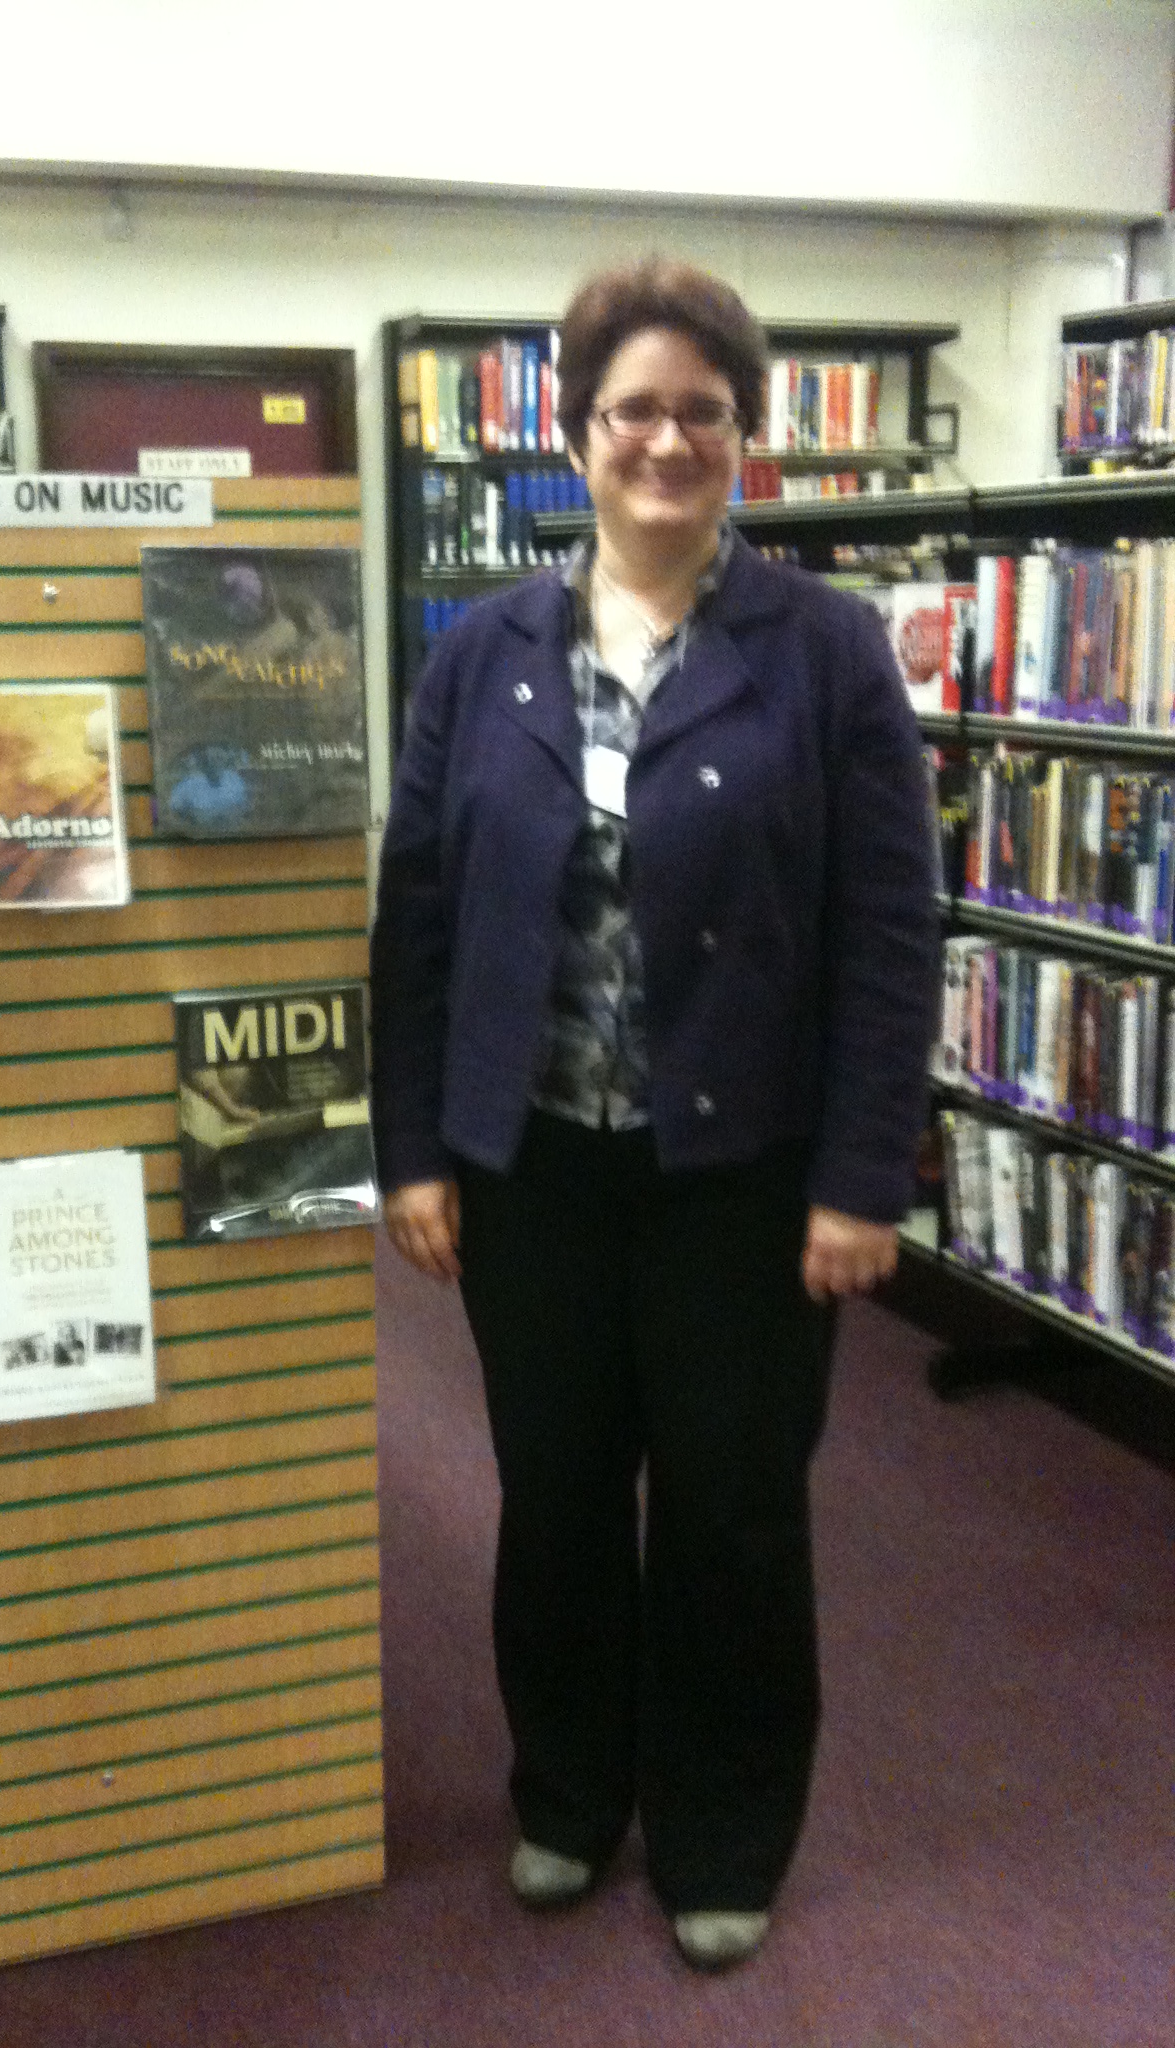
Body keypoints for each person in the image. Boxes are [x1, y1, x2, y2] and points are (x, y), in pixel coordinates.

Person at [369, 261, 939, 1972]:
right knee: (551, 1494)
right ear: (578, 435)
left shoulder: (826, 653)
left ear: (745, 442)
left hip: (740, 1185)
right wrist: (412, 1145)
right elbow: (418, 919)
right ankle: (566, 1795)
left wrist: (859, 1176)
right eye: (634, 410)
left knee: (732, 1509)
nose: (667, 441)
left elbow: (889, 931)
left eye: (703, 410)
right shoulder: (480, 659)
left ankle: (722, 1826)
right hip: (531, 1170)